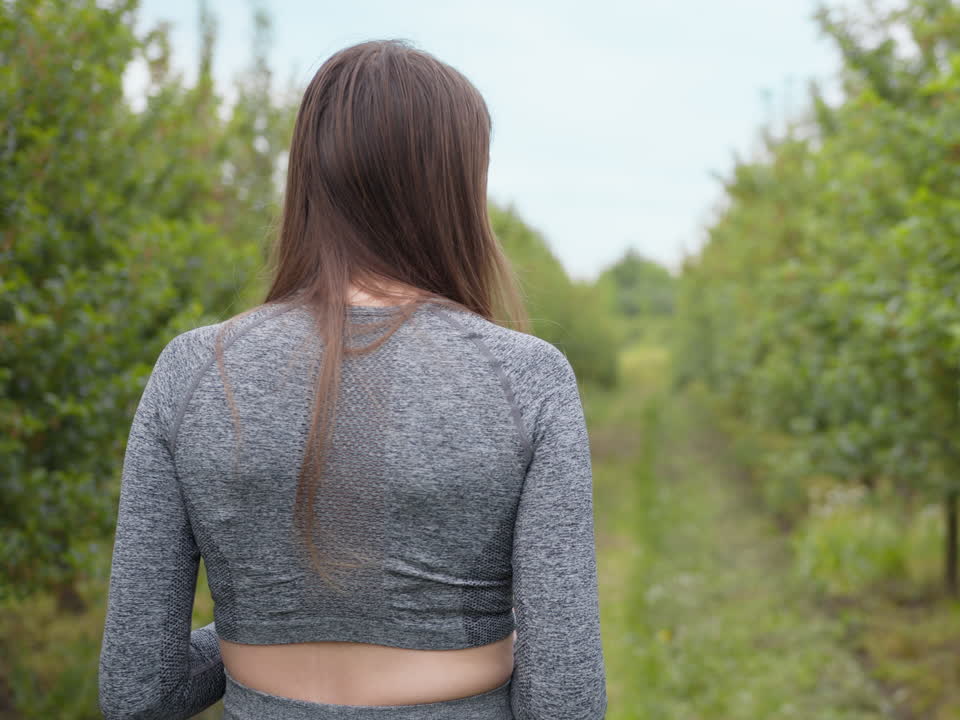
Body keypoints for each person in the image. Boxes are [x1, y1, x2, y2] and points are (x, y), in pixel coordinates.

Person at [96, 39, 607, 720]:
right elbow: (565, 699)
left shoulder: (194, 373)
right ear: (455, 190)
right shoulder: (527, 379)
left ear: (309, 178)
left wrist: (268, 622)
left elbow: (138, 690)